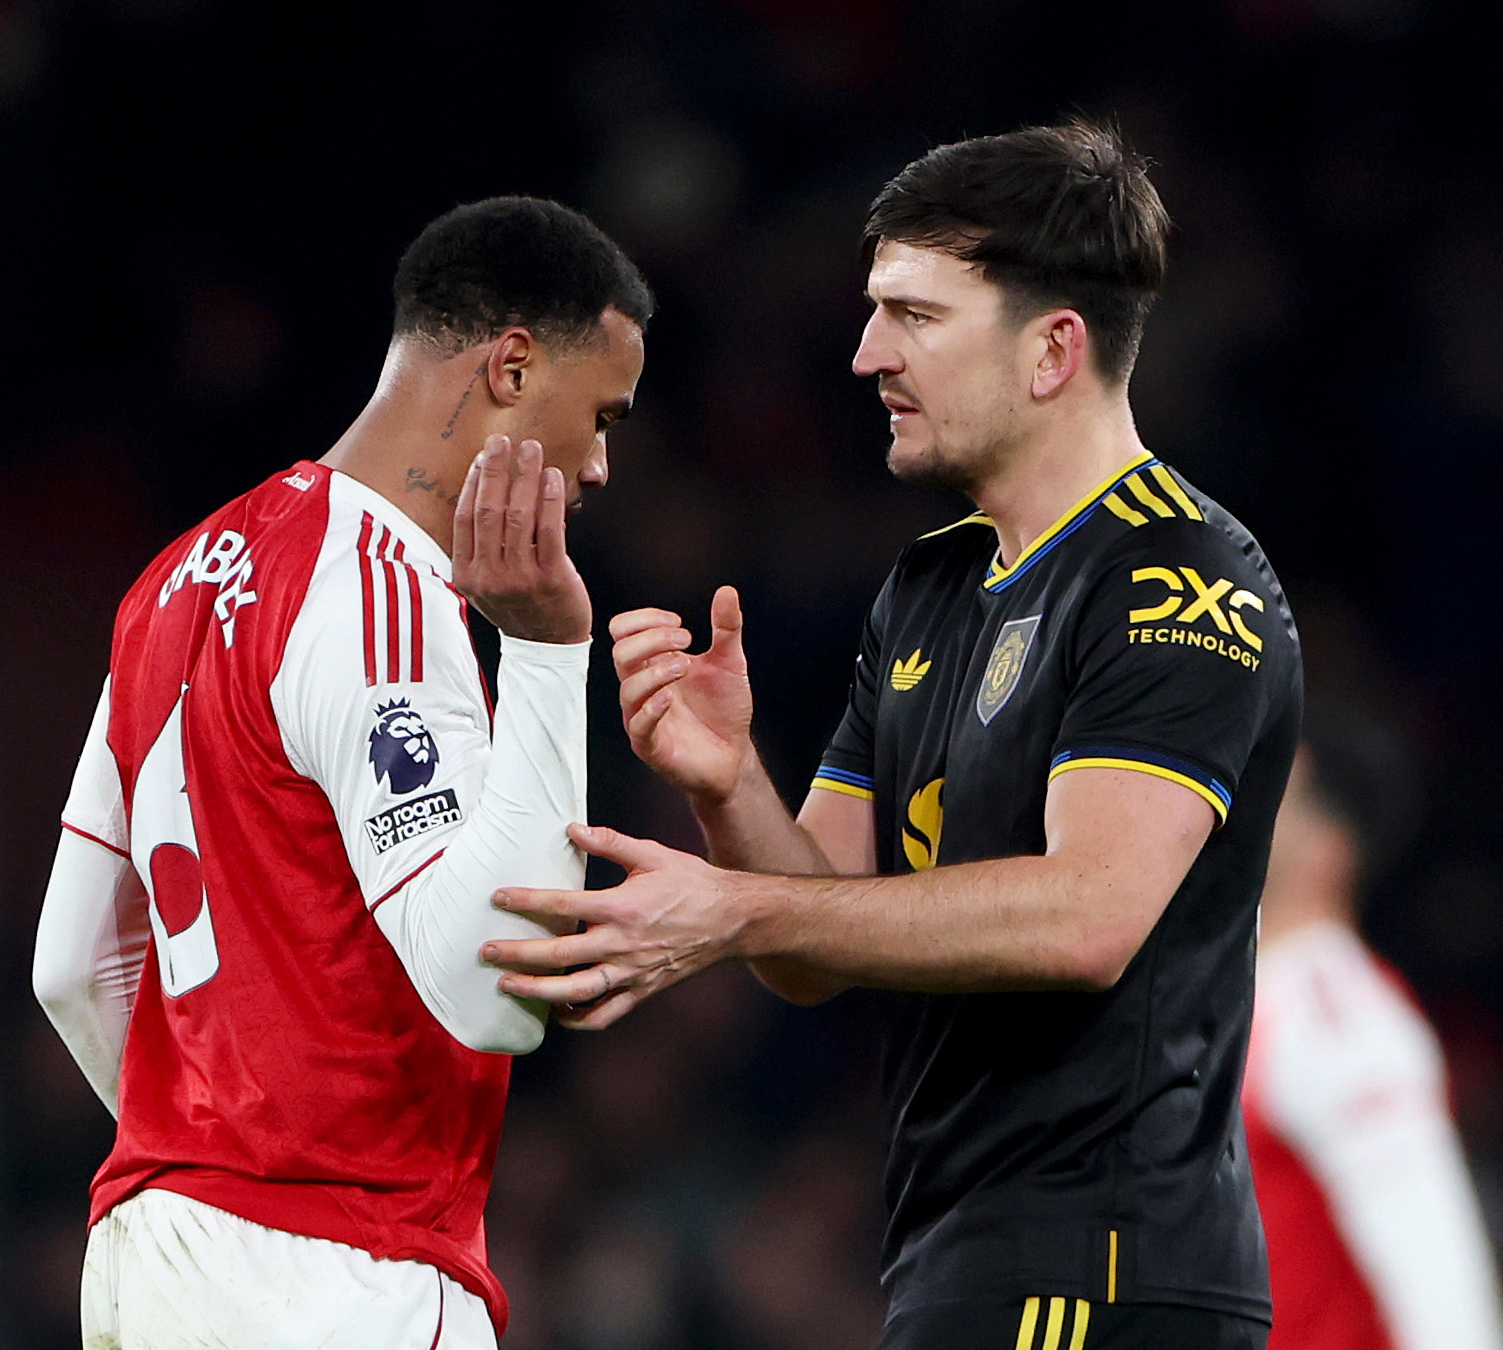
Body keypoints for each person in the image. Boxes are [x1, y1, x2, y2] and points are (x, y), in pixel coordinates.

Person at [484, 120, 1301, 1349]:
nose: (867, 353)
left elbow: (1089, 918)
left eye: (914, 316)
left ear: (1052, 351)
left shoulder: (1176, 578)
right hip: (955, 1255)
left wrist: (731, 908)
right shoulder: (928, 591)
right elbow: (814, 945)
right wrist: (729, 785)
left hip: (1108, 1268)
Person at [30, 197, 650, 1349]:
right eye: (602, 414)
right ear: (512, 367)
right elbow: (494, 993)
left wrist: (210, 1162)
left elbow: (71, 964)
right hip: (337, 1273)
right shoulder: (383, 596)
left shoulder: (174, 581)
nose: (602, 465)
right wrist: (553, 654)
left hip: (150, 1259)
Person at [1243, 716, 1503, 1350]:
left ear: (1329, 848)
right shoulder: (1232, 998)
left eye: (1272, 789)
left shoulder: (1340, 1017)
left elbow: (1437, 1272)